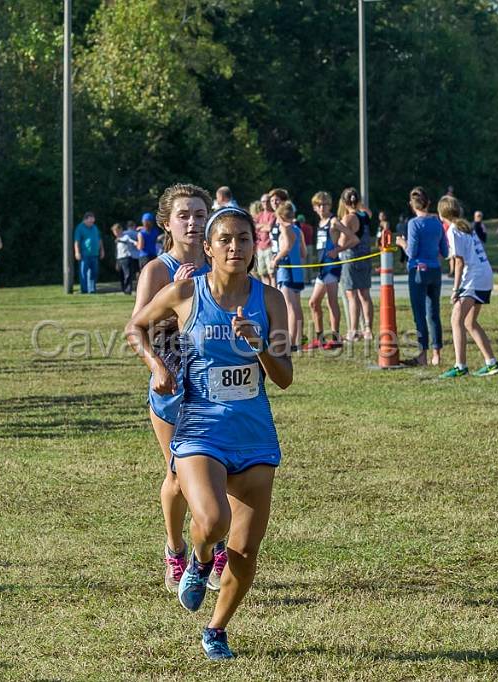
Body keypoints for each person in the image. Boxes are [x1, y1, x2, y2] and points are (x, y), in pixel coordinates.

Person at [126, 205, 292, 660]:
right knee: (214, 520)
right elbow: (136, 327)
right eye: (225, 240)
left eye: (243, 239)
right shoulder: (184, 293)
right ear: (209, 248)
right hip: (200, 427)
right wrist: (156, 365)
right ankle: (198, 561)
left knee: (244, 549)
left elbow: (284, 377)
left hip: (254, 432)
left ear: (255, 247)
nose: (235, 247)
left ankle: (216, 629)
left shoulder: (271, 300)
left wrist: (258, 342)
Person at [130, 184, 229, 597]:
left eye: (200, 213)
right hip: (172, 389)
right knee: (178, 475)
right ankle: (175, 548)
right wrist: (156, 365)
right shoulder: (157, 270)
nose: (193, 221)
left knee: (223, 475)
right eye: (184, 215)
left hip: (218, 390)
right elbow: (138, 330)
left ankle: (217, 544)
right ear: (167, 223)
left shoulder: (223, 263)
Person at [437, 196, 498, 378]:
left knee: (456, 319)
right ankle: (491, 363)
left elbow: (459, 262)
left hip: (474, 277)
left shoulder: (453, 230)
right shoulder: (466, 227)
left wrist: (456, 290)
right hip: (484, 274)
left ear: (443, 213)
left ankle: (460, 366)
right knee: (469, 322)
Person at [395, 187, 447, 366]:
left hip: (418, 271)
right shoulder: (437, 223)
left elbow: (412, 251)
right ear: (429, 203)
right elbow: (445, 251)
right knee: (434, 313)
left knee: (419, 314)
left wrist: (402, 243)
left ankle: (422, 355)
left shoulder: (413, 224)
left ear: (411, 204)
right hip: (435, 270)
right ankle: (437, 355)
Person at [305, 191, 343, 350]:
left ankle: (336, 337)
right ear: (314, 207)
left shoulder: (333, 221)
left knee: (331, 302)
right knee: (314, 303)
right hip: (322, 267)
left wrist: (338, 249)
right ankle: (320, 338)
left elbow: (353, 238)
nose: (322, 207)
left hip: (332, 266)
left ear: (330, 205)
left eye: (325, 204)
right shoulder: (320, 223)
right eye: (319, 205)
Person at [336, 187, 374, 341]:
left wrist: (338, 241)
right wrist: (360, 204)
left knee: (352, 296)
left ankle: (353, 330)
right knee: (365, 295)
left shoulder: (348, 219)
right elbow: (368, 211)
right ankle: (368, 330)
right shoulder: (365, 215)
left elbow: (344, 241)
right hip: (365, 257)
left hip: (351, 259)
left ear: (343, 202)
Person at [269, 201, 305, 349]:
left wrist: (275, 259)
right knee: (296, 307)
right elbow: (304, 253)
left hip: (286, 270)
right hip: (297, 272)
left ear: (280, 216)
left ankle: (290, 342)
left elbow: (287, 246)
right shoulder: (297, 229)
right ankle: (296, 341)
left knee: (289, 307)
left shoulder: (284, 227)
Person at [73, 212, 103, 294]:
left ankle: (92, 290)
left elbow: (99, 239)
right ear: (85, 220)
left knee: (94, 273)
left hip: (94, 254)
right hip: (84, 254)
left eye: (93, 222)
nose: (91, 223)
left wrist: (102, 250)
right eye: (90, 222)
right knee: (83, 273)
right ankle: (84, 290)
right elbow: (77, 241)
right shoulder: (80, 228)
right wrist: (77, 252)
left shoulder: (95, 227)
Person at [113, 222, 140, 295]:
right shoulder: (117, 239)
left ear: (120, 230)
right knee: (121, 275)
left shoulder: (125, 236)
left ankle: (128, 290)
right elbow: (117, 251)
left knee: (127, 275)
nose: (116, 233)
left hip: (126, 258)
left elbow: (131, 241)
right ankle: (123, 289)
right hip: (119, 259)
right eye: (114, 232)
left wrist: (136, 243)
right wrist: (116, 261)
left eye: (117, 231)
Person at [253, 194, 275, 286]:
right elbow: (253, 226)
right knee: (262, 273)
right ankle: (266, 293)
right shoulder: (259, 215)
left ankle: (274, 293)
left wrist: (260, 226)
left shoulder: (273, 214)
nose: (265, 203)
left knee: (272, 273)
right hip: (260, 247)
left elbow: (269, 228)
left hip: (269, 246)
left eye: (267, 201)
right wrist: (263, 226)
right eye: (263, 201)